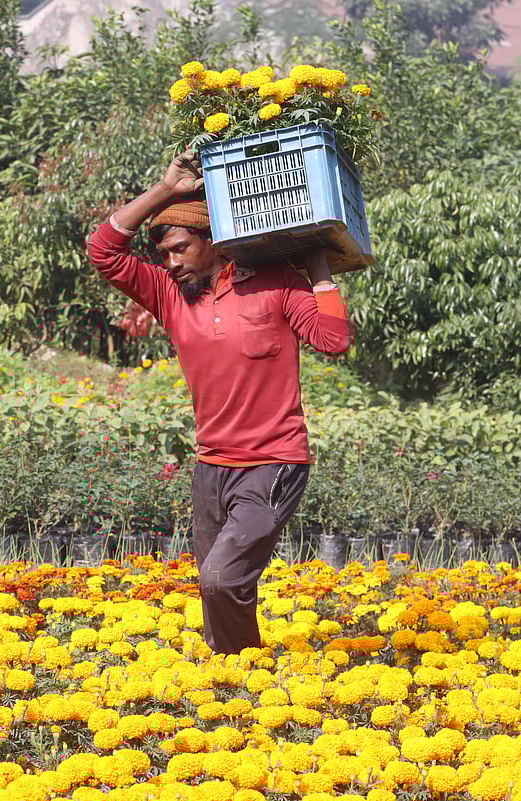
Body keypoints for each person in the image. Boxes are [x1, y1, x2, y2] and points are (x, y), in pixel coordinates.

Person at [86, 149, 352, 654]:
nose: (172, 262)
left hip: (273, 463)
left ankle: (241, 671)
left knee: (221, 578)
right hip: (211, 467)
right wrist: (166, 189)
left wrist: (319, 270)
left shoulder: (277, 284)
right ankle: (238, 688)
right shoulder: (169, 293)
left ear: (215, 243)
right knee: (220, 593)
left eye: (182, 249)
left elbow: (333, 340)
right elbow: (103, 251)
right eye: (165, 254)